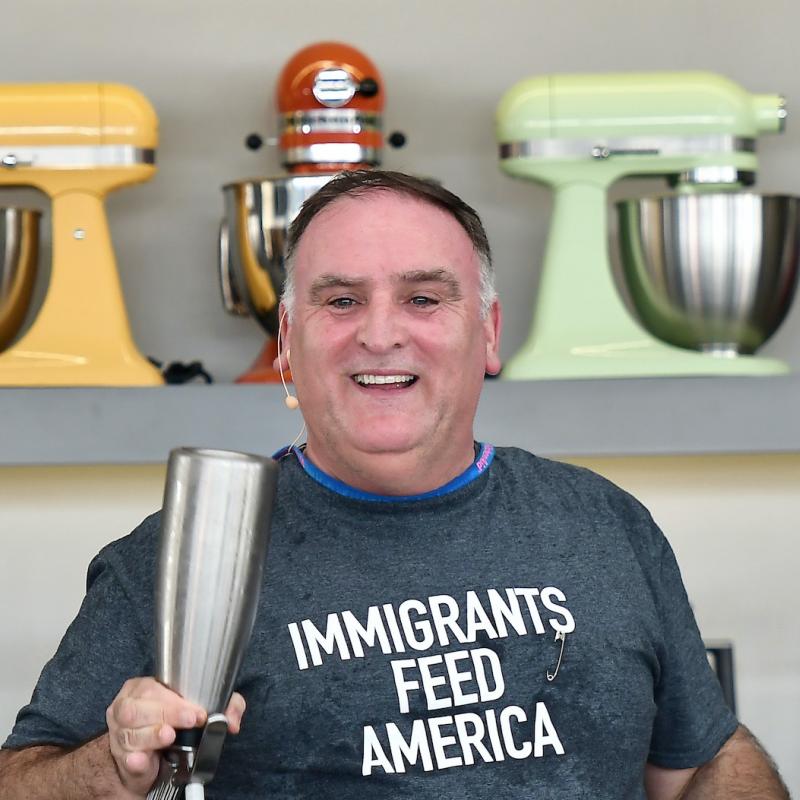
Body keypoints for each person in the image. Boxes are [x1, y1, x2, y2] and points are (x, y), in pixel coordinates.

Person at [0, 170, 789, 799]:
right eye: (341, 300)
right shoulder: (177, 559)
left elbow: (704, 757)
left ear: (486, 332)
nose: (380, 333)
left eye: (422, 297)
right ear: (287, 341)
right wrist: (114, 766)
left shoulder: (604, 522)